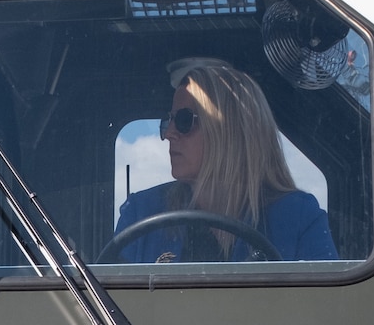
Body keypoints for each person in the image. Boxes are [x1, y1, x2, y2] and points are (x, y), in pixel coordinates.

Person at [115, 60, 337, 264]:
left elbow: (328, 304)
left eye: (184, 121)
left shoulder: (297, 217)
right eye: (168, 121)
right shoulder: (141, 214)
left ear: (229, 131)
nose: (169, 134)